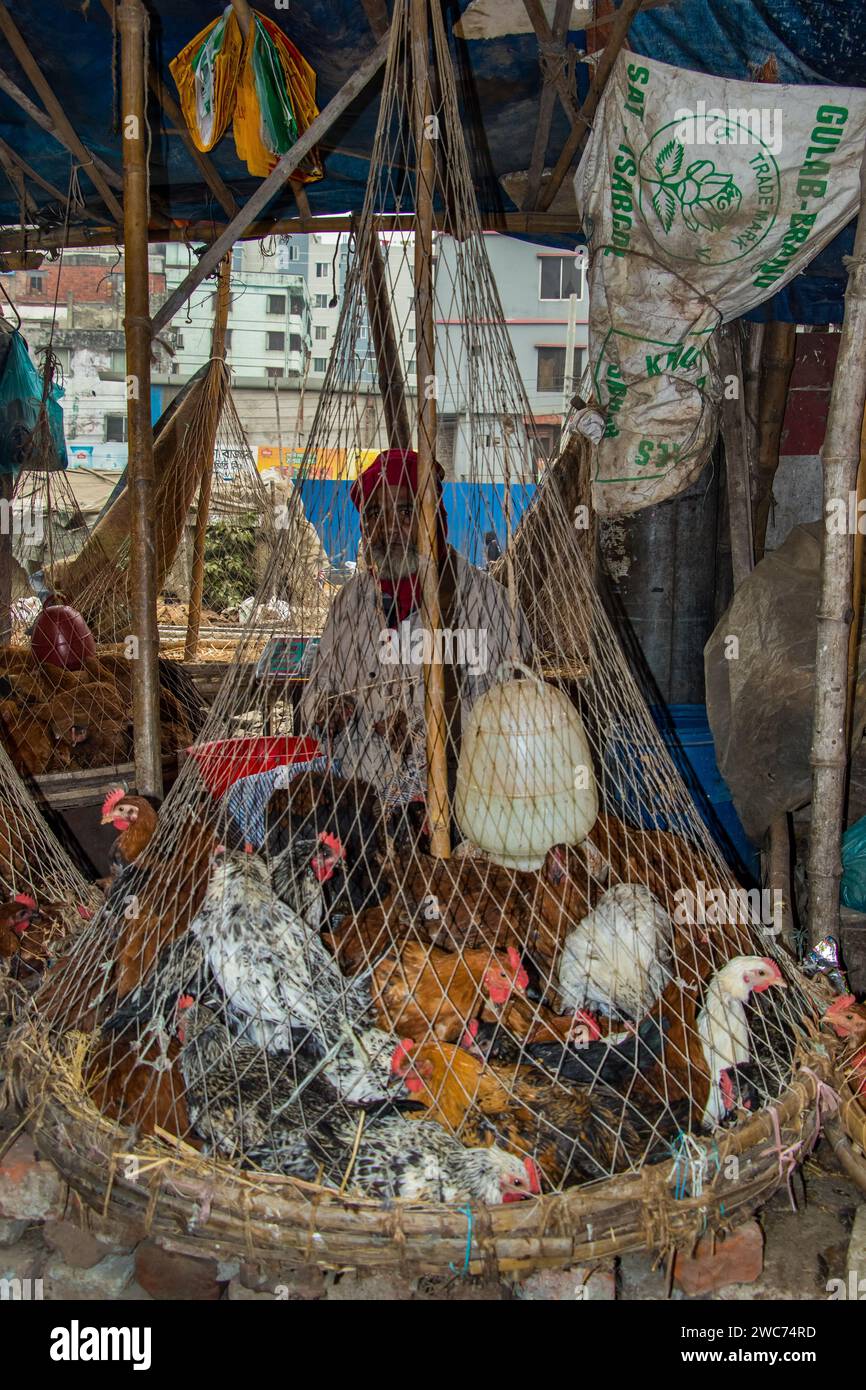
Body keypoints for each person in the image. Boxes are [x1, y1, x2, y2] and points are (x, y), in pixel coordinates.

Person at [299, 448, 529, 812]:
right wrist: (326, 710)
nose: (388, 529)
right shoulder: (351, 602)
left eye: (406, 512)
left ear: (434, 518)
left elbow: (513, 712)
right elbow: (317, 689)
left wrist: (422, 729)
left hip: (459, 805)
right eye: (374, 513)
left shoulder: (488, 604)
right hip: (356, 804)